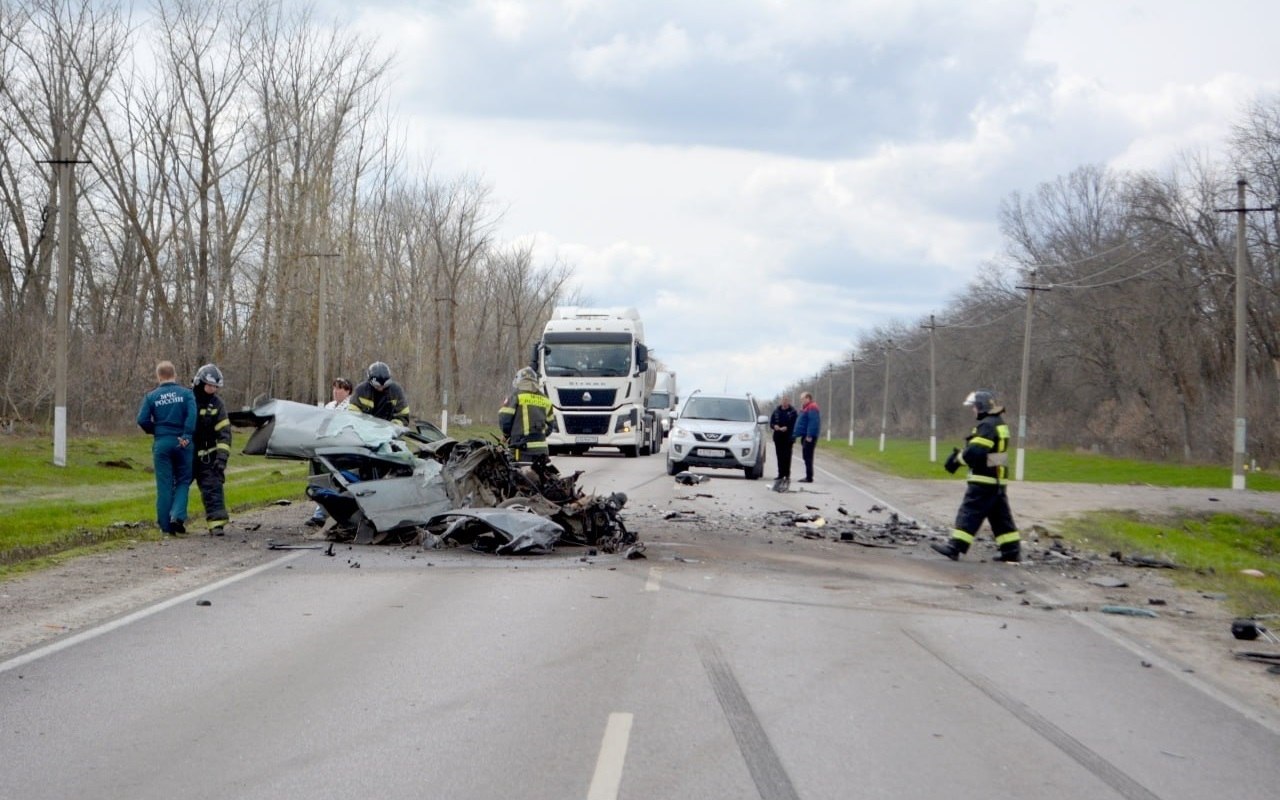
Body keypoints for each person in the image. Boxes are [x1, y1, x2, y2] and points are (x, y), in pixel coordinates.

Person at [932, 389, 1022, 563]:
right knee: (1000, 517)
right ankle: (1011, 550)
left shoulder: (987, 425)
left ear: (981, 407)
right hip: (997, 479)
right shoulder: (999, 423)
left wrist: (957, 460)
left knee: (969, 512)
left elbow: (976, 451)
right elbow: (994, 453)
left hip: (984, 479)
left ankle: (955, 547)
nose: (973, 410)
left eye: (974, 406)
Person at [136, 360, 196, 535]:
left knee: (164, 485)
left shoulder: (151, 397)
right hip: (182, 442)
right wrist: (187, 435)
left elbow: (142, 420)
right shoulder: (187, 394)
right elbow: (192, 416)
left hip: (162, 443)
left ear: (158, 376)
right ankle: (177, 515)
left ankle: (165, 527)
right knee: (183, 480)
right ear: (174, 374)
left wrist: (157, 430)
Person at [190, 364, 232, 534]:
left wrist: (221, 458)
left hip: (208, 455)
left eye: (215, 387)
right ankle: (173, 522)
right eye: (210, 386)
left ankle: (217, 524)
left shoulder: (217, 404)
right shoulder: (187, 399)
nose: (213, 389)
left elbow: (224, 434)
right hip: (186, 454)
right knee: (177, 488)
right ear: (199, 382)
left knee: (213, 487)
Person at [307, 377, 353, 527]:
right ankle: (321, 512)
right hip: (324, 447)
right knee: (321, 479)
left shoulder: (351, 407)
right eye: (334, 388)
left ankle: (334, 514)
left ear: (347, 391)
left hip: (341, 450)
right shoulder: (329, 406)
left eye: (339, 388)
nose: (335, 391)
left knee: (337, 481)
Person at [498, 367, 554, 463]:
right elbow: (550, 427)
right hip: (542, 451)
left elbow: (505, 420)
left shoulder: (516, 396)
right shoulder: (546, 399)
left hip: (521, 450)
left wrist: (506, 436)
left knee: (517, 472)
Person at [770, 395, 798, 485]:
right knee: (779, 456)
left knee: (787, 456)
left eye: (786, 400)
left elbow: (795, 424)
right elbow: (771, 423)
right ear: (781, 401)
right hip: (778, 437)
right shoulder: (776, 411)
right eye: (783, 400)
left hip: (788, 438)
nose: (785, 402)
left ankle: (787, 474)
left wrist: (787, 428)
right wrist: (775, 426)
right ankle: (780, 474)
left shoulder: (793, 412)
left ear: (789, 402)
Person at [793, 391, 820, 483]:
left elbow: (813, 423)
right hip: (805, 435)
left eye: (803, 399)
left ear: (808, 398)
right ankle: (808, 475)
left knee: (808, 456)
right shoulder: (806, 408)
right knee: (806, 456)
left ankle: (809, 477)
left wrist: (809, 435)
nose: (801, 401)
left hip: (809, 436)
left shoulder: (812, 407)